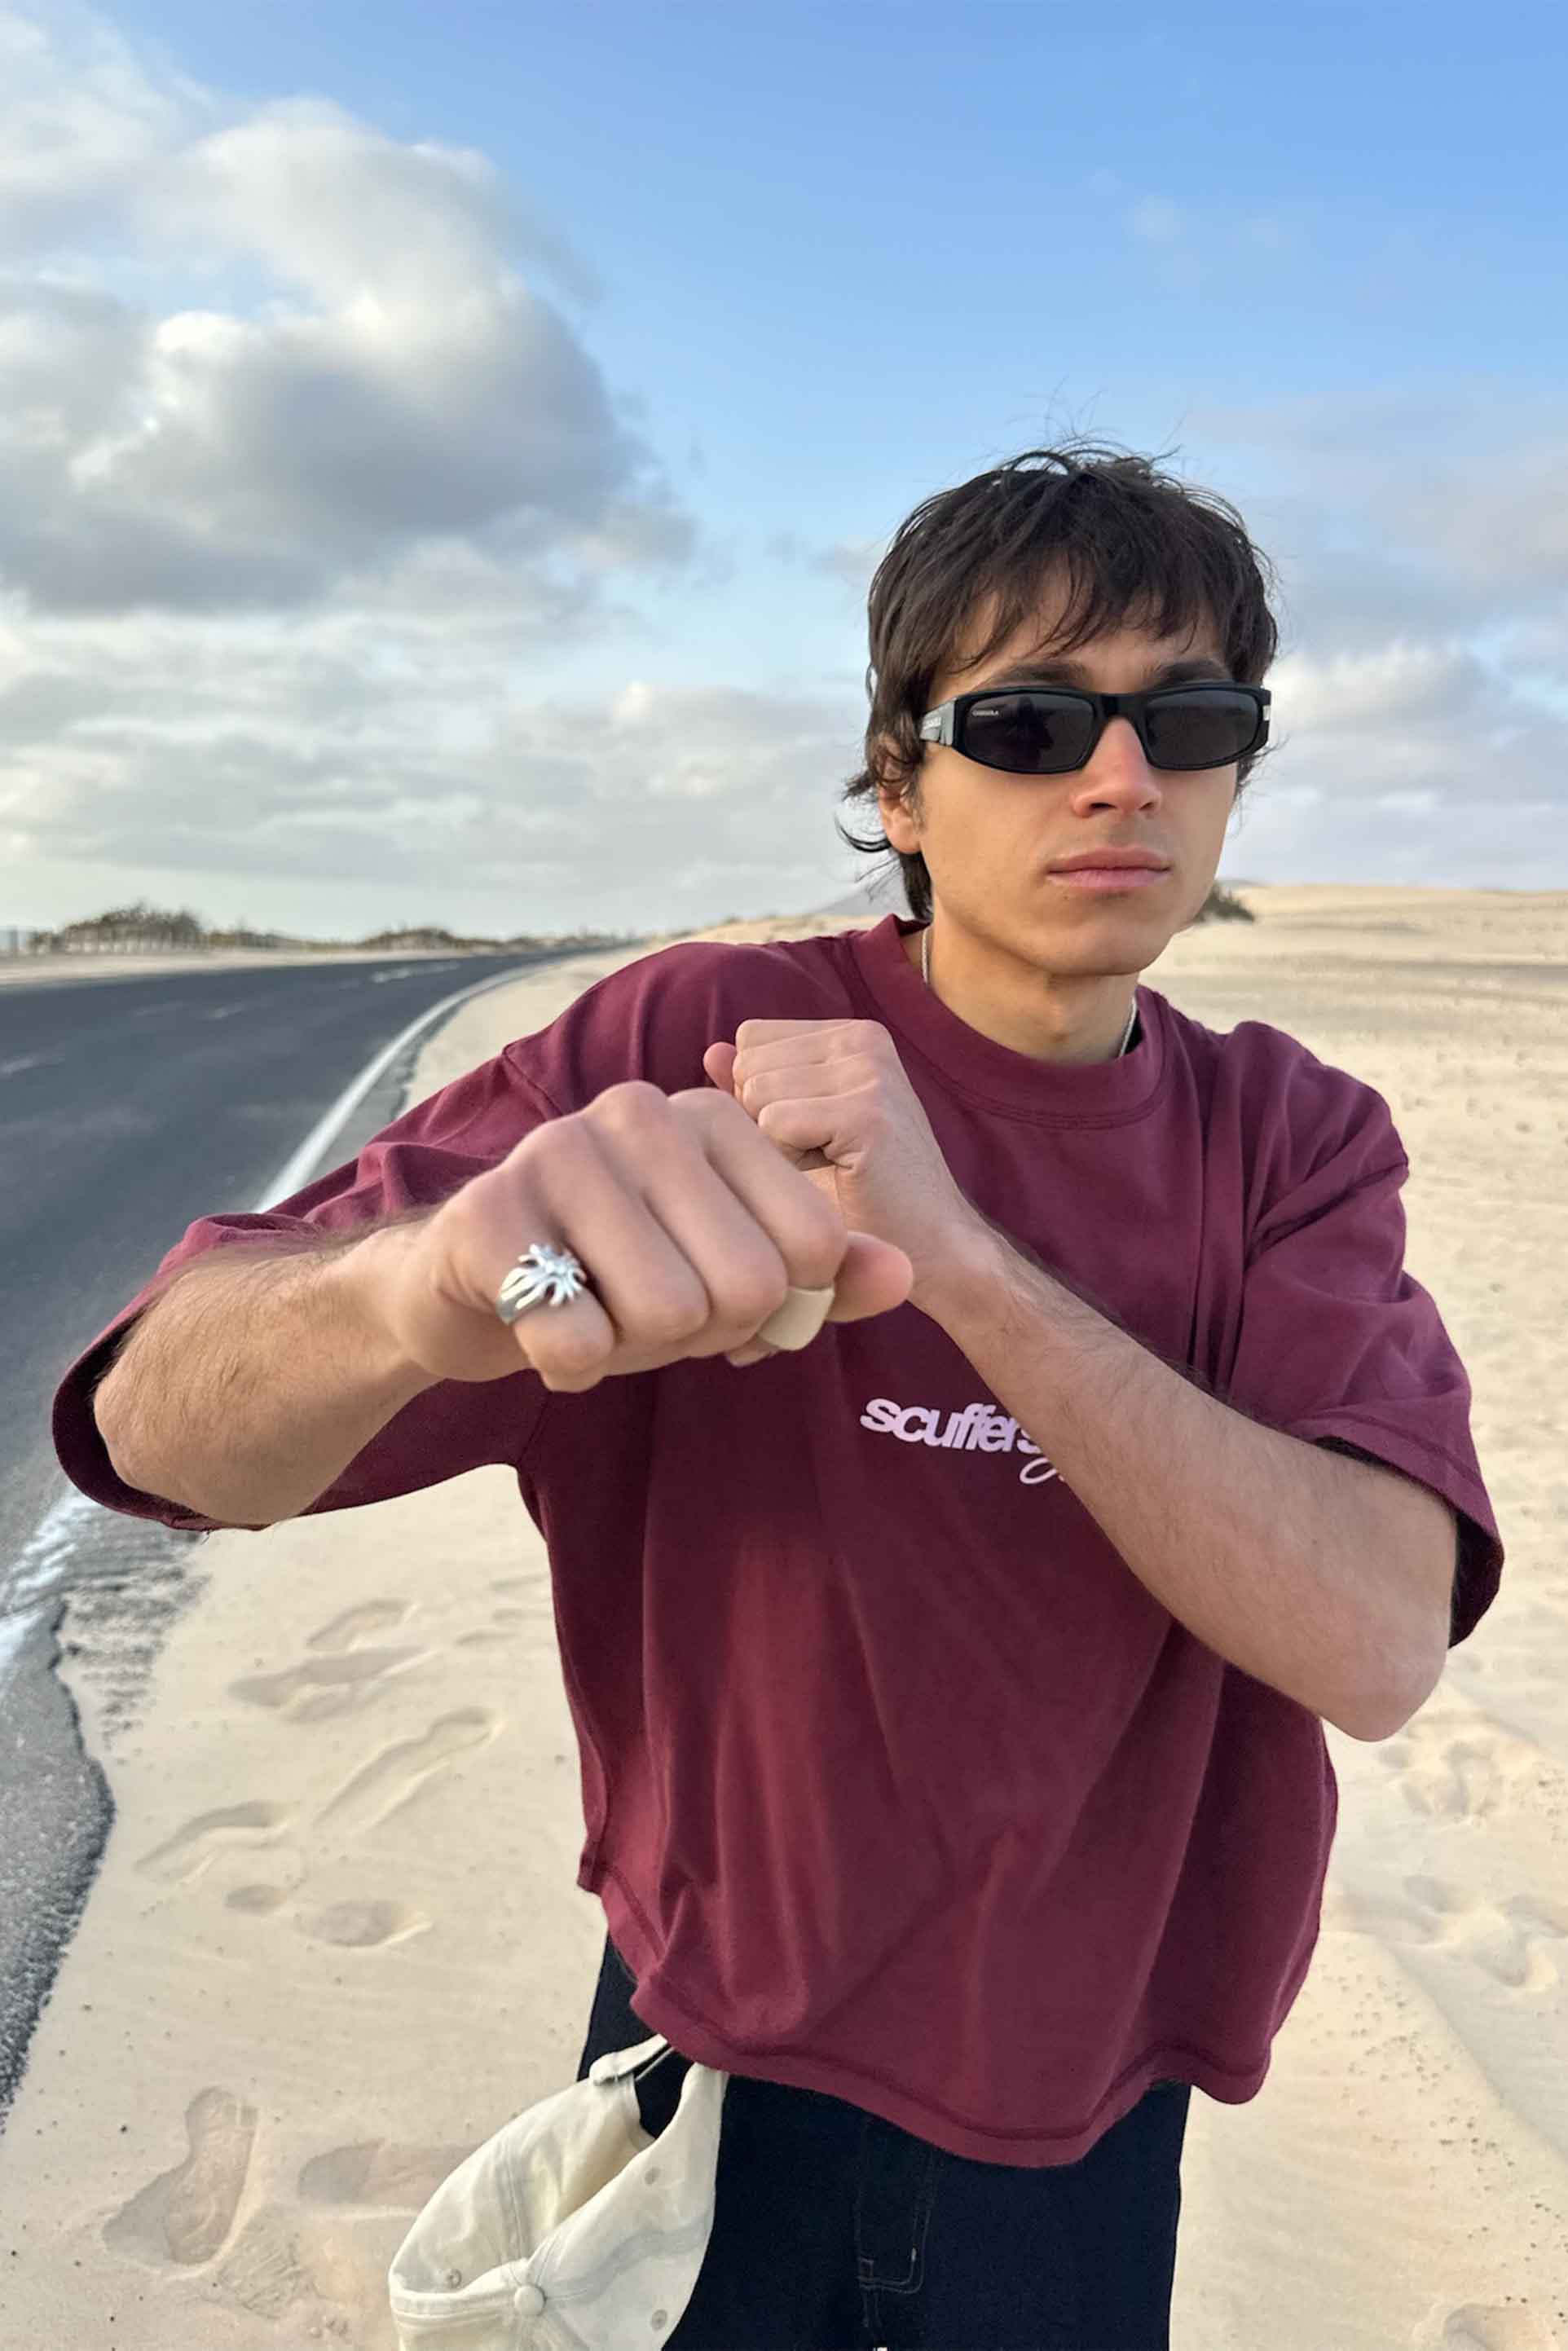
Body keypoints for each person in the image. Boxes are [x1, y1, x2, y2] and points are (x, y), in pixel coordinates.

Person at [54, 441, 1504, 2351]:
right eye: (1028, 721)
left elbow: (1373, 1639)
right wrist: (418, 1290)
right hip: (710, 2061)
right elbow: (154, 1429)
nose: (1117, 778)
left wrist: (962, 1263)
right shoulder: (684, 1047)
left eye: (1188, 720)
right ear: (898, 783)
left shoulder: (1289, 1139)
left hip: (1093, 2098)